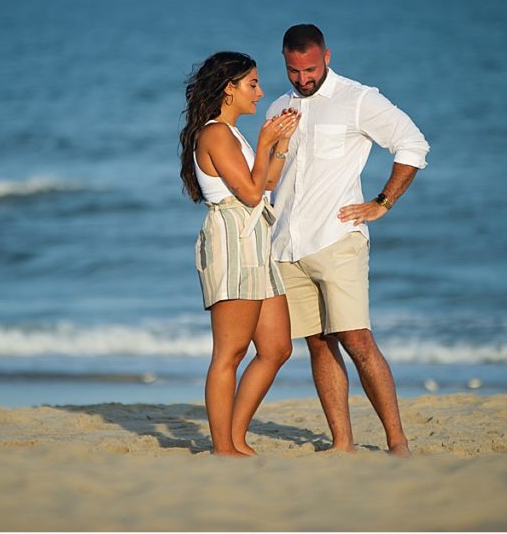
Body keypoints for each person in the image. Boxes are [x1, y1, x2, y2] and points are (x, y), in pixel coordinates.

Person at [265, 24, 429, 456]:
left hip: (337, 240)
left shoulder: (358, 99)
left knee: (357, 339)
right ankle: (343, 444)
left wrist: (382, 202)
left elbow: (413, 144)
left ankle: (397, 442)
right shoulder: (278, 107)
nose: (303, 79)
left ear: (327, 57)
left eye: (310, 68)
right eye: (293, 70)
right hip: (286, 245)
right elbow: (270, 176)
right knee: (317, 343)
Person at [179, 50, 301, 457]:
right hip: (231, 239)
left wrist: (279, 144)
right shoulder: (215, 134)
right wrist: (266, 139)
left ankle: (233, 436)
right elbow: (250, 194)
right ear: (228, 89)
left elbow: (264, 181)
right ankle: (223, 447)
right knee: (230, 352)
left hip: (254, 239)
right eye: (252, 84)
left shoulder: (234, 135)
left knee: (276, 347)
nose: (260, 92)